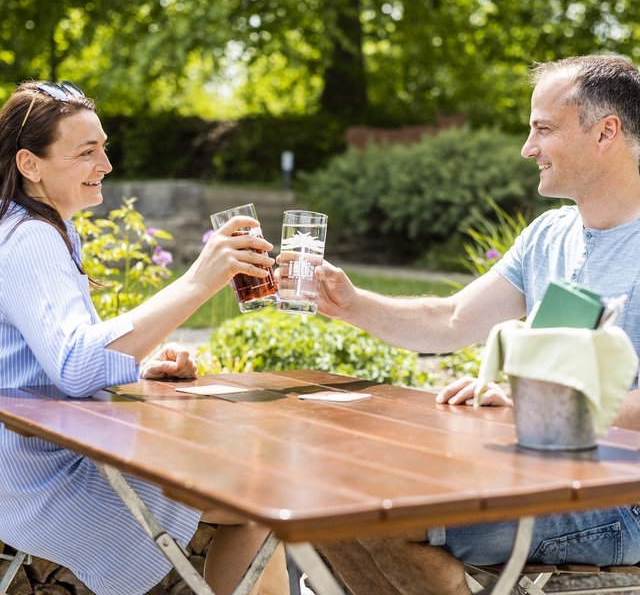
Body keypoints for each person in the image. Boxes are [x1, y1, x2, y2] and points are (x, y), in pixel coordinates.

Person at [313, 54, 640, 595]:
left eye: (543, 129)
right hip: (540, 477)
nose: (527, 148)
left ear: (606, 132)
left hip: (621, 501)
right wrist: (352, 303)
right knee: (327, 502)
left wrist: (533, 406)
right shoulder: (548, 235)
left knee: (383, 521)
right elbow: (452, 319)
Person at [0, 81, 288, 595]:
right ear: (30, 164)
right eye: (87, 152)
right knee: (258, 500)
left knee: (249, 489)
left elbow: (48, 358)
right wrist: (199, 283)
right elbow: (73, 365)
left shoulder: (34, 228)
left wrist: (134, 363)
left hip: (39, 462)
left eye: (103, 147)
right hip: (43, 482)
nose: (106, 165)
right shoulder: (30, 239)